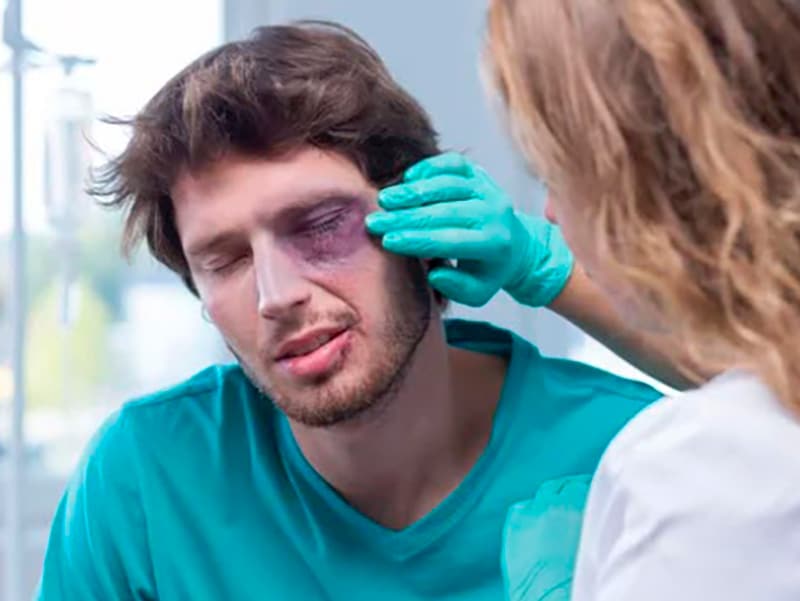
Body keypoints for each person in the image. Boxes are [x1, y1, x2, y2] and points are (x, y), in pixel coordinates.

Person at [36, 21, 668, 601]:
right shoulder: (145, 481)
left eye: (319, 225)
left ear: (424, 224)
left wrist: (546, 268)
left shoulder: (629, 454)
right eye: (225, 260)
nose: (275, 295)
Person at [369, 2, 800, 599]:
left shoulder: (699, 473)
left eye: (556, 168)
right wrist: (542, 269)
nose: (547, 211)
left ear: (646, 171)